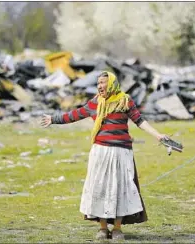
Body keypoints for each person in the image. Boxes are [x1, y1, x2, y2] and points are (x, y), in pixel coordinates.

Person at [41, 71, 169, 240]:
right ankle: (102, 228)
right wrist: (53, 119)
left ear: (112, 84)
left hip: (121, 153)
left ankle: (117, 228)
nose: (100, 86)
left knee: (120, 189)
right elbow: (75, 115)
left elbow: (140, 121)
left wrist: (158, 135)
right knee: (99, 188)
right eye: (98, 83)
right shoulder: (95, 103)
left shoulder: (125, 101)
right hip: (100, 152)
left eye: (103, 83)